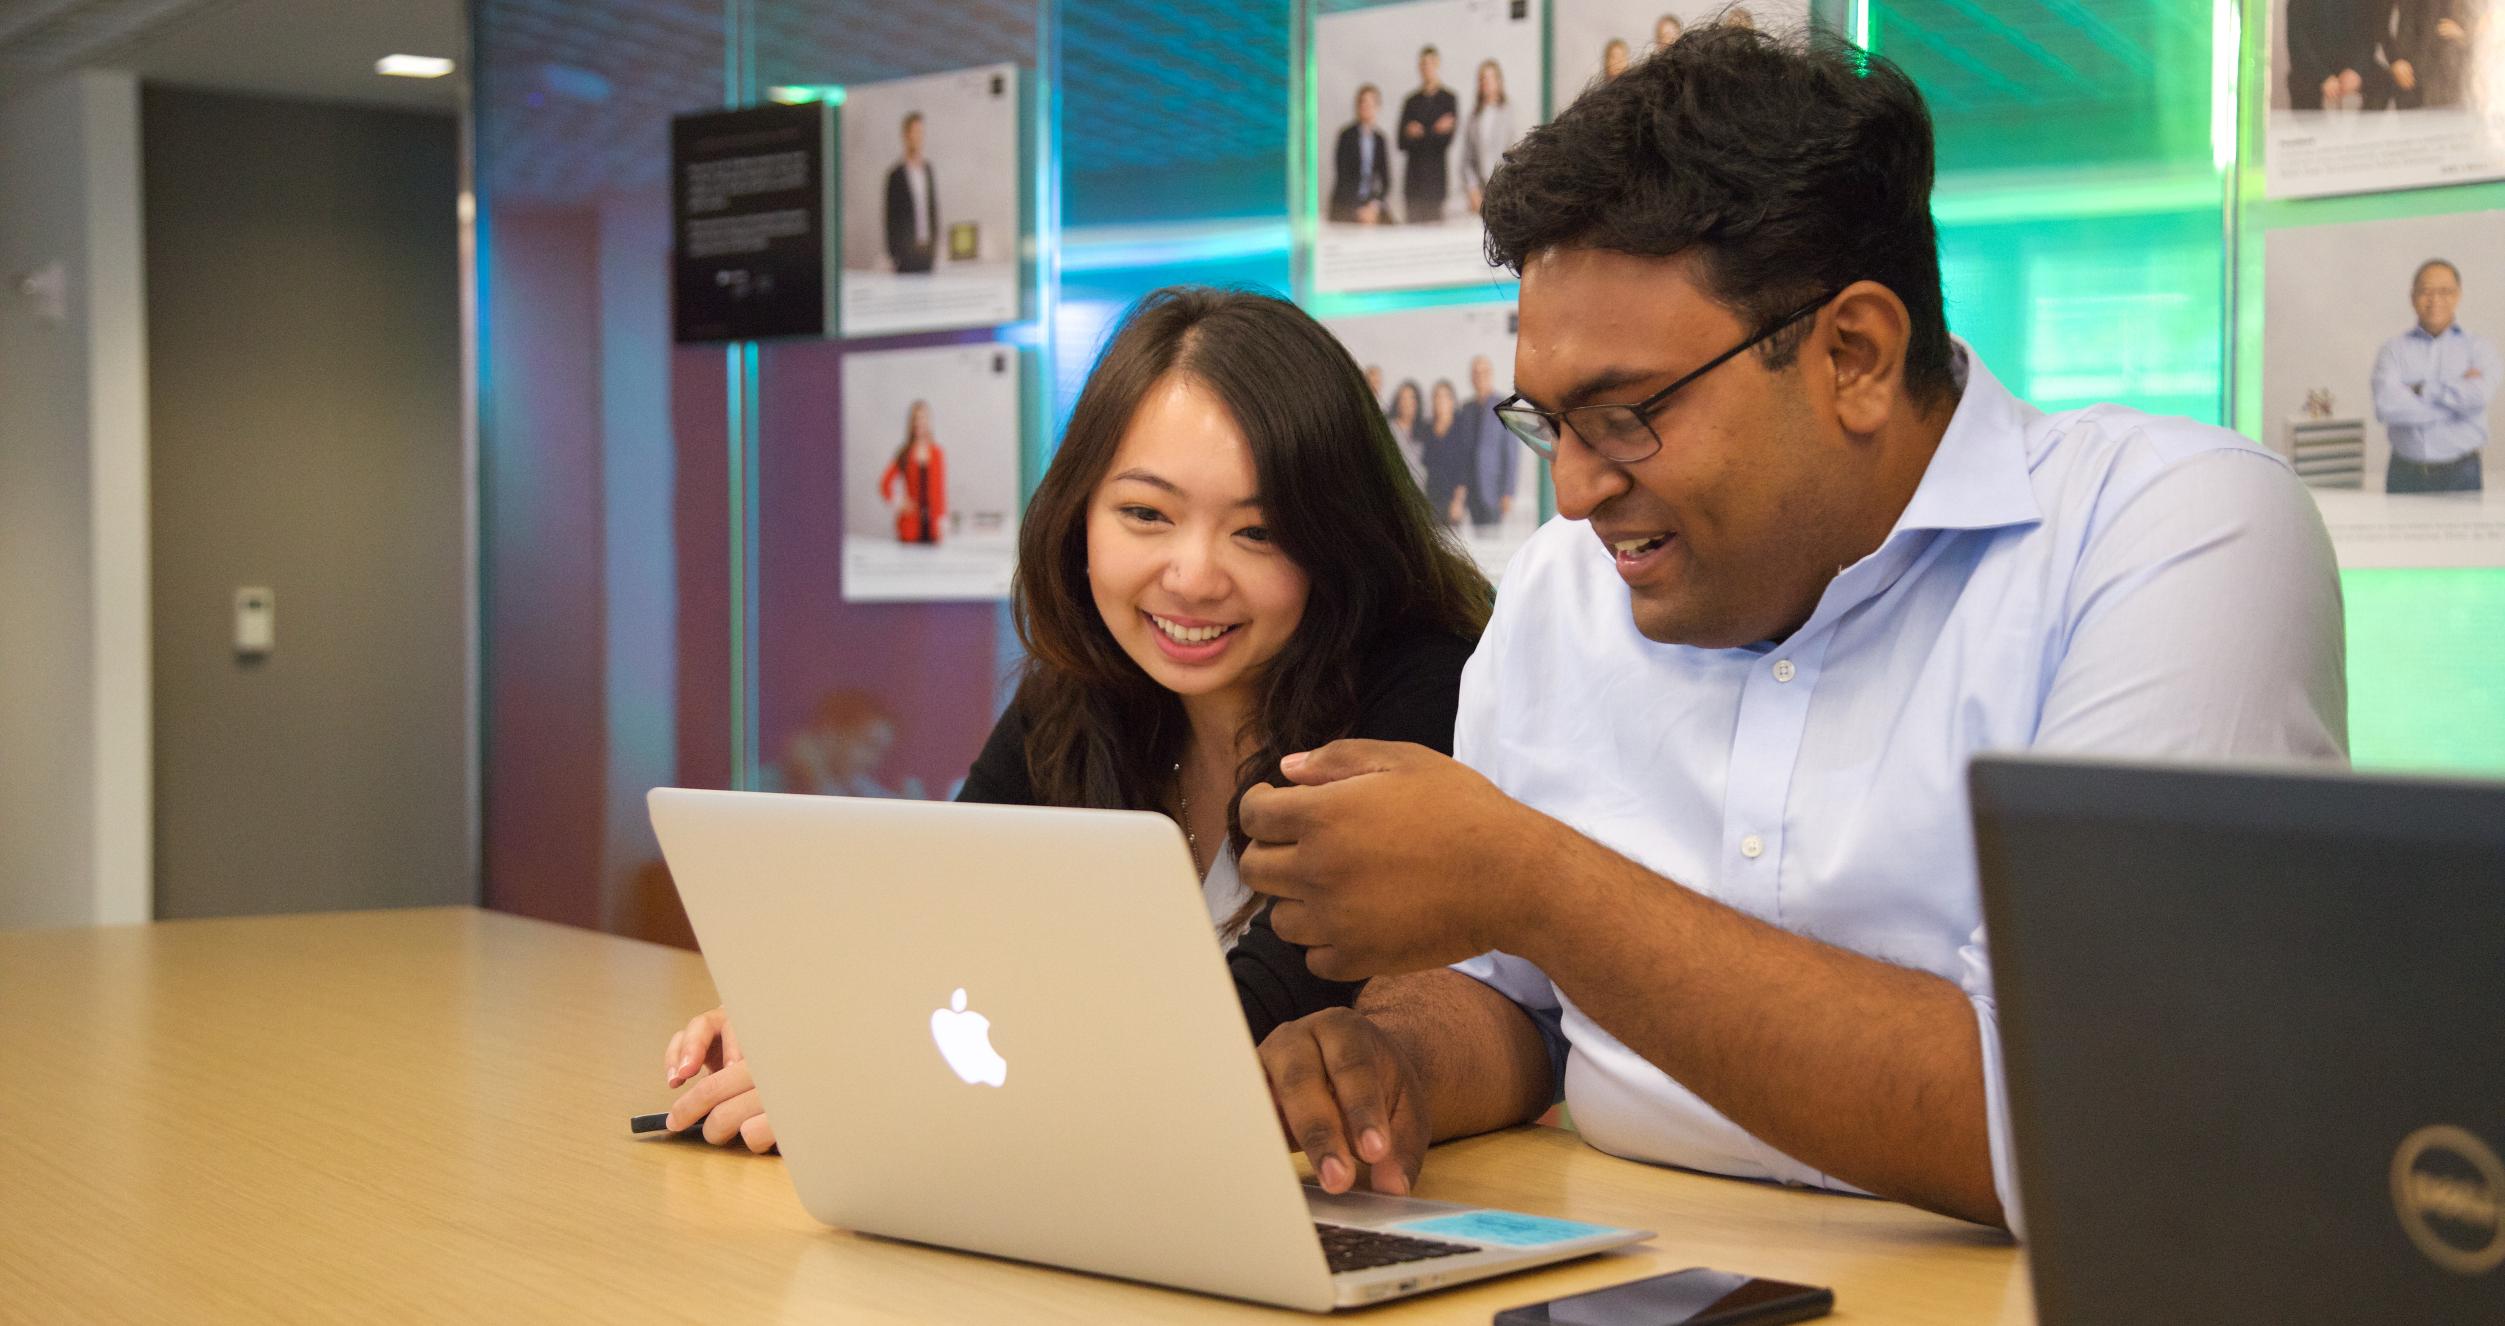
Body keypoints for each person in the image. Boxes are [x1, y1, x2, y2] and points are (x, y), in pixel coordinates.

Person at [1238, 26, 2344, 1231]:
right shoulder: (1565, 590)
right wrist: (1393, 1059)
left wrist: (1533, 881)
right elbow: (1508, 1000)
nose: (1572, 491)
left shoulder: (2167, 535)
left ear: (1854, 357)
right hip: (1618, 1273)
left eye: (1623, 415)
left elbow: (2093, 1117)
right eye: (1548, 422)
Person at [659, 288, 1494, 1152]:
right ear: (1079, 517)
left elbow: (1230, 1032)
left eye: (1259, 532)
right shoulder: (1085, 684)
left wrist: (868, 1066)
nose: (1193, 576)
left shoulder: (1423, 693)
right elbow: (943, 918)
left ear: (1336, 541)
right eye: (1145, 514)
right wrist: (808, 1022)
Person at [2372, 257, 2497, 493]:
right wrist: (2457, 403)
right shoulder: (2393, 350)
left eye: (2445, 291)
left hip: (2462, 473)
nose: (2435, 300)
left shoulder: (2479, 348)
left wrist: (2419, 390)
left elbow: (2479, 398)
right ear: (2412, 297)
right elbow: (2387, 407)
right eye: (2426, 291)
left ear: (2458, 295)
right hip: (2404, 473)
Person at [1398, 47, 1459, 226]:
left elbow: (1447, 141)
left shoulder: (1448, 99)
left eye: (1431, 63)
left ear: (1438, 64)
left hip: (1436, 183)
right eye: (1424, 64)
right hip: (1413, 183)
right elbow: (1400, 142)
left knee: (1434, 237)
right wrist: (1435, 129)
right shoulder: (1411, 101)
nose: (1427, 68)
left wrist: (1420, 133)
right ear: (1419, 67)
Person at [1461, 354, 1517, 529]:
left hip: (1494, 489)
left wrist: (1508, 492)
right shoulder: (1466, 408)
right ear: (1471, 377)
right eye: (1476, 373)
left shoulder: (1504, 406)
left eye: (1484, 372)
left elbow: (1511, 453)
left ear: (1491, 374)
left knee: (1492, 539)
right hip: (1471, 489)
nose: (1480, 377)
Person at [879, 400, 947, 544]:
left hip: (932, 529)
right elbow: (884, 484)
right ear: (911, 422)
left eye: (923, 418)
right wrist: (899, 503)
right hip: (910, 528)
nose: (919, 422)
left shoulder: (937, 453)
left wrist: (942, 522)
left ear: (928, 421)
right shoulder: (905, 453)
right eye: (916, 418)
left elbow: (940, 492)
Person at [883, 112, 939, 274]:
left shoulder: (927, 170)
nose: (918, 137)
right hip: (906, 255)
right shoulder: (895, 175)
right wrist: (894, 254)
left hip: (926, 252)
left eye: (920, 133)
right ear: (906, 135)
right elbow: (890, 217)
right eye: (914, 132)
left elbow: (932, 209)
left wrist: (934, 247)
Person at [1330, 84, 1395, 224]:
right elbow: (1343, 176)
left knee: (1393, 228)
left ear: (1377, 107)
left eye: (1370, 103)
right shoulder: (1346, 136)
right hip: (1347, 203)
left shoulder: (1380, 139)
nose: (1365, 107)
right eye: (1362, 102)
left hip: (1370, 201)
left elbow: (1386, 181)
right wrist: (1358, 209)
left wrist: (1374, 205)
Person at [1462, 60, 1515, 214]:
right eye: (1482, 79)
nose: (1485, 83)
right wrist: (1472, 188)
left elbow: (1514, 153)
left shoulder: (1510, 113)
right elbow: (1467, 159)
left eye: (1489, 78)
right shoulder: (1473, 117)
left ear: (1498, 81)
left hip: (1504, 188)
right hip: (1479, 190)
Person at [1417, 379, 1470, 527]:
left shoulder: (1460, 427)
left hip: (1453, 499)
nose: (1441, 400)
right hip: (1430, 496)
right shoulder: (1427, 428)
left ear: (1452, 400)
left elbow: (1464, 467)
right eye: (1437, 396)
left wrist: (1458, 502)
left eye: (1445, 396)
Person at [1387, 378, 1427, 488]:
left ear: (1417, 403)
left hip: (1419, 493)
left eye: (1411, 398)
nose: (1407, 403)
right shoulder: (1388, 429)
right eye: (1403, 398)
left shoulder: (1424, 429)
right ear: (1397, 402)